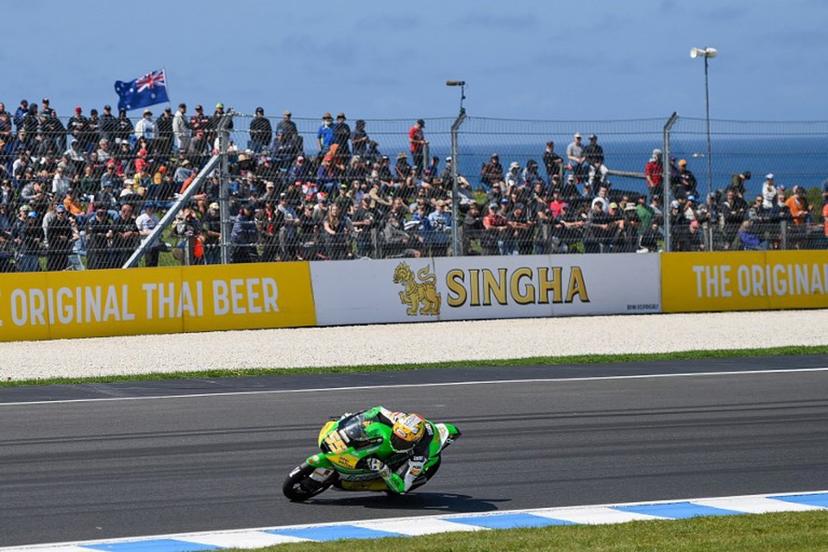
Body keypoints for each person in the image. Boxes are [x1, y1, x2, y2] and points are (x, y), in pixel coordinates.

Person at [346, 406, 434, 495]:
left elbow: (403, 487)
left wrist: (383, 469)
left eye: (403, 442)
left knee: (401, 490)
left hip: (424, 449)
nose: (397, 443)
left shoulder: (420, 454)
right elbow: (378, 410)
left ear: (415, 441)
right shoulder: (397, 419)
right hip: (409, 429)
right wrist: (357, 418)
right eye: (395, 437)